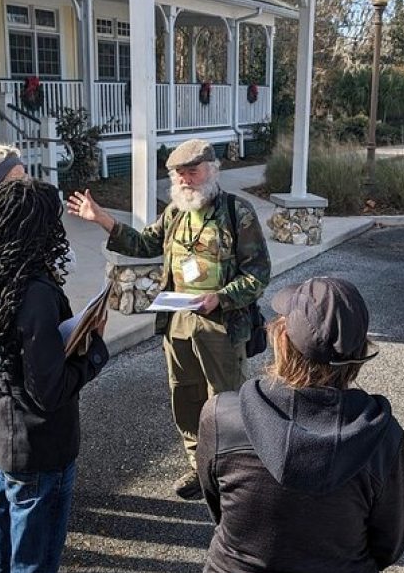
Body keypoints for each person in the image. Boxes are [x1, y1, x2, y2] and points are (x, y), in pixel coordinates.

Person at [67, 138, 270, 500]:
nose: (186, 181)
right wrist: (103, 220)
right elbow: (145, 244)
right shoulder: (175, 213)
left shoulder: (238, 212)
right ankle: (198, 465)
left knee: (224, 400)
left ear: (212, 170)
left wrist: (220, 298)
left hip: (220, 323)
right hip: (178, 320)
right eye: (179, 175)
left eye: (193, 172)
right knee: (185, 396)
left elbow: (257, 274)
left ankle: (230, 473)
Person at [196, 277, 404, 573]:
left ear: (281, 339)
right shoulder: (382, 436)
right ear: (360, 348)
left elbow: (219, 507)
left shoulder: (222, 416)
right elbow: (390, 543)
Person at [0, 177, 109, 573]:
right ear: (42, 229)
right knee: (33, 563)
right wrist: (94, 352)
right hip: (39, 448)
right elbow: (49, 392)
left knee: (2, 546)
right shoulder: (36, 293)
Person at [0, 142, 76, 514]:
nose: (24, 177)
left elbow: (66, 257)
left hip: (12, 334)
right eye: (17, 173)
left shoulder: (30, 219)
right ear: (0, 179)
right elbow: (49, 390)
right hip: (2, 338)